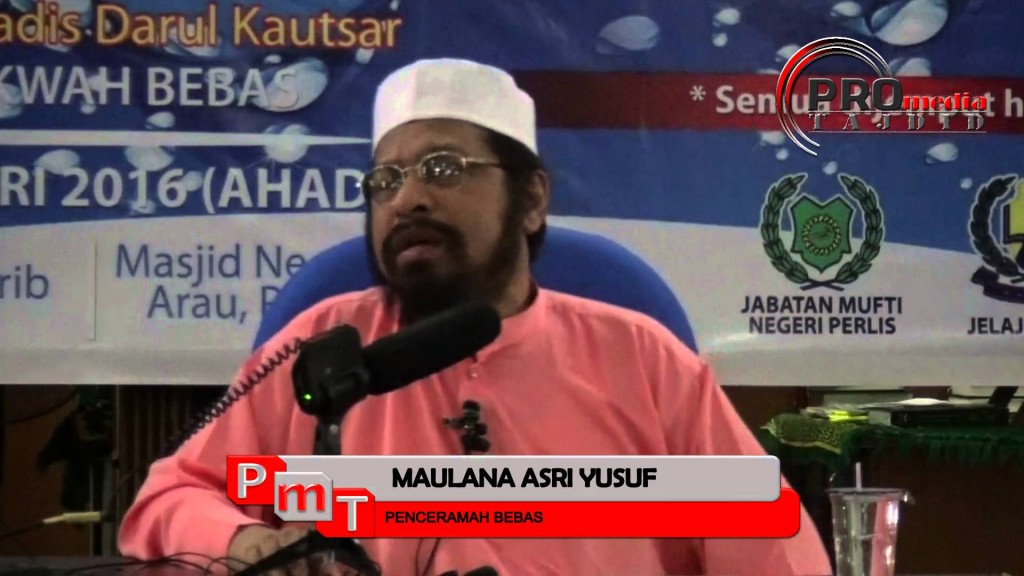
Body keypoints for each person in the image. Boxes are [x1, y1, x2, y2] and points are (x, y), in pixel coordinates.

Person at [118, 58, 832, 576]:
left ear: (532, 200)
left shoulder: (643, 359)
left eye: (444, 169)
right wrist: (245, 542)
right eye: (385, 180)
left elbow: (775, 546)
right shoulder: (324, 350)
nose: (408, 199)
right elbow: (169, 498)